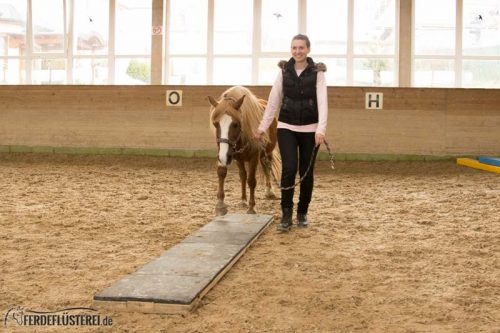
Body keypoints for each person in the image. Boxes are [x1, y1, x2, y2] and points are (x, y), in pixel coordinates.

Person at [254, 34, 328, 232]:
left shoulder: (317, 72)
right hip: (286, 126)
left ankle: (302, 212)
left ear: (308, 49)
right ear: (291, 50)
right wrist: (262, 127)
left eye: (301, 47)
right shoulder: (284, 70)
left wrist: (321, 129)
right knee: (289, 168)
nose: (297, 51)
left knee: (306, 172)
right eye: (294, 48)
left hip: (311, 129)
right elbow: (274, 100)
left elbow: (322, 101)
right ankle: (286, 213)